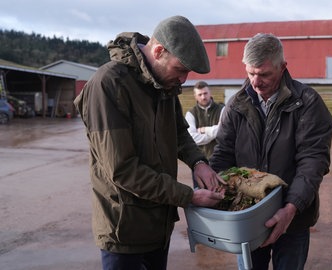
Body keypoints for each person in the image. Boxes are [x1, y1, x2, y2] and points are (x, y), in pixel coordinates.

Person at [73, 15, 226, 270]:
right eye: (181, 69)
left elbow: (179, 133)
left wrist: (198, 162)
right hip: (125, 231)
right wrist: (188, 196)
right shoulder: (109, 85)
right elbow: (123, 170)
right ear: (158, 51)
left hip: (158, 226)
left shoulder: (164, 85)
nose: (184, 79)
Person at [209, 33, 332, 270]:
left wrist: (291, 207)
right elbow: (223, 153)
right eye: (250, 73)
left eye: (264, 74)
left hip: (293, 217)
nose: (256, 82)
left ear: (283, 67)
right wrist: (213, 187)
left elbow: (312, 161)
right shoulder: (236, 105)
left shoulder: (307, 103)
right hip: (248, 217)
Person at [185, 81, 224, 160]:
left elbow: (223, 130)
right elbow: (192, 138)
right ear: (195, 96)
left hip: (220, 157)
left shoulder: (222, 109)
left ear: (210, 93)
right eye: (200, 94)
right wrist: (212, 135)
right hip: (199, 159)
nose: (203, 97)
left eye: (205, 93)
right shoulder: (191, 114)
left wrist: (203, 130)